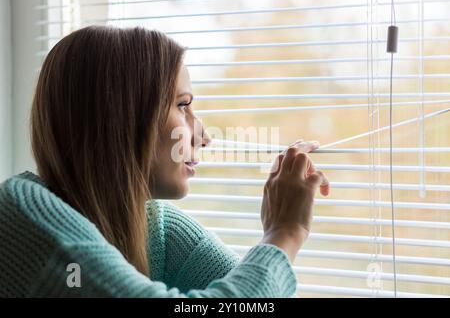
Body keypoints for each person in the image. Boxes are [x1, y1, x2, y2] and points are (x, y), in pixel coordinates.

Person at [0, 26, 329, 297]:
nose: (203, 135)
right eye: (182, 105)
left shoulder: (157, 227)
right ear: (121, 118)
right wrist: (283, 233)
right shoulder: (24, 215)